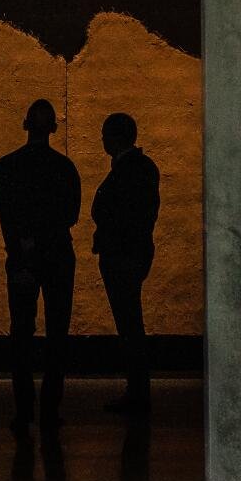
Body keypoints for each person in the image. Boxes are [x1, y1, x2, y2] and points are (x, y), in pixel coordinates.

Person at [0, 99, 81, 433]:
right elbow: (70, 214)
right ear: (53, 129)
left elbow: (6, 215)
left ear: (26, 124)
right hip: (57, 255)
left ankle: (24, 409)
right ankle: (50, 409)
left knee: (21, 334)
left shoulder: (7, 166)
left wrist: (24, 244)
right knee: (57, 333)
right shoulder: (65, 168)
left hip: (22, 257)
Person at [92, 113, 159, 415]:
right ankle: (137, 390)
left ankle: (137, 392)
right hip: (132, 253)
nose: (102, 141)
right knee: (131, 323)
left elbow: (118, 212)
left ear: (115, 138)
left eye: (105, 135)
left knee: (129, 325)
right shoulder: (143, 168)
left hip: (122, 255)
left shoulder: (128, 170)